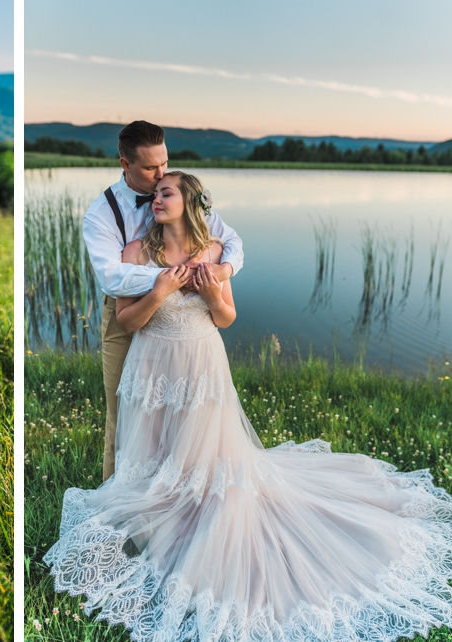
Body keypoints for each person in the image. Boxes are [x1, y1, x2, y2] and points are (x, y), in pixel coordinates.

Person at [45, 171, 452, 641]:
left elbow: (226, 318)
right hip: (152, 367)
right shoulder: (135, 254)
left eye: (166, 193)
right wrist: (158, 292)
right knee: (153, 451)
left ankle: (194, 518)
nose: (154, 200)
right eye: (153, 194)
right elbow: (127, 321)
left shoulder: (215, 253)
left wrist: (213, 292)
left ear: (191, 201)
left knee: (202, 459)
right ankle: (153, 517)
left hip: (202, 365)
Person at [81, 120, 243, 481]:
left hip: (196, 339)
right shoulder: (102, 213)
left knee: (193, 421)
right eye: (151, 168)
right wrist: (169, 280)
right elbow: (111, 277)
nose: (160, 176)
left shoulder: (183, 195)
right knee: (126, 416)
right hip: (131, 309)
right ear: (125, 164)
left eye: (164, 163)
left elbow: (231, 243)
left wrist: (221, 273)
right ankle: (119, 511)